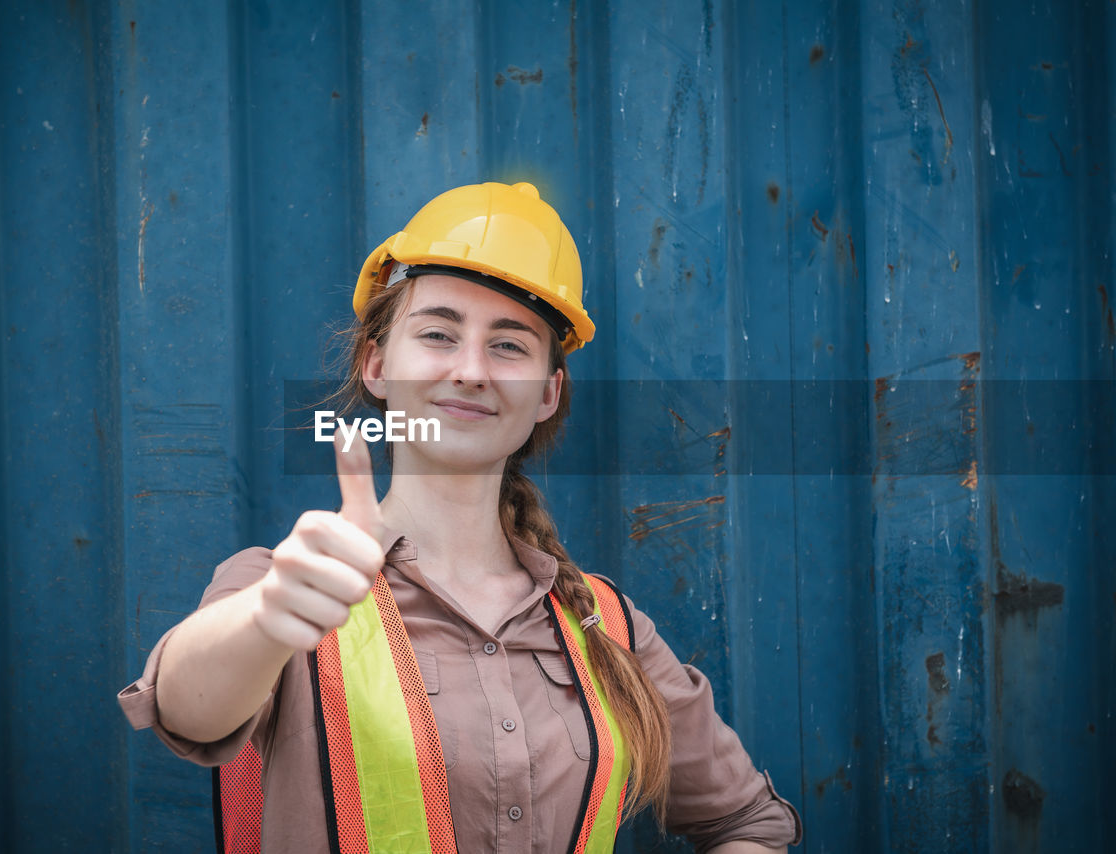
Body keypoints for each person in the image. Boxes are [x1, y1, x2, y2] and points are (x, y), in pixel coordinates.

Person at [118, 181, 802, 853]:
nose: (472, 369)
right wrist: (268, 618)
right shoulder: (288, 584)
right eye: (439, 334)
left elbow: (751, 824)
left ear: (547, 391)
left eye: (509, 345)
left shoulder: (607, 626)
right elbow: (186, 711)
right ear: (378, 364)